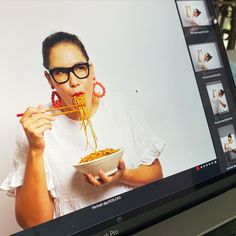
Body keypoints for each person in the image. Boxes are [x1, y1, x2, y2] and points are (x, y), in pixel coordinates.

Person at [0, 32, 165, 229]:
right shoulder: (37, 129)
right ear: (50, 79)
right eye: (61, 72)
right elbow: (33, 223)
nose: (74, 81)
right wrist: (35, 149)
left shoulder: (120, 108)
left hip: (136, 223)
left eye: (80, 68)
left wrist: (120, 176)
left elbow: (156, 175)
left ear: (91, 70)